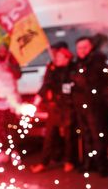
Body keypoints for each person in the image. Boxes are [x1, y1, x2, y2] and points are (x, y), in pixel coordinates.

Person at [30, 42, 76, 173]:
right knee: (49, 136)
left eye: (60, 57)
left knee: (68, 136)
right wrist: (37, 100)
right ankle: (44, 162)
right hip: (54, 107)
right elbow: (46, 85)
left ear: (67, 58)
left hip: (68, 107)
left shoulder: (72, 70)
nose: (56, 59)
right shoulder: (52, 69)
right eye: (56, 56)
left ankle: (69, 161)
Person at [71, 36, 108, 177]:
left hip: (94, 104)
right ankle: (88, 162)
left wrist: (82, 80)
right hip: (80, 104)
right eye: (79, 48)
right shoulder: (77, 63)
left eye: (84, 47)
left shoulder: (97, 61)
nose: (82, 50)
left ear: (91, 47)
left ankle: (102, 165)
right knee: (86, 135)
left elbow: (97, 81)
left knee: (97, 135)